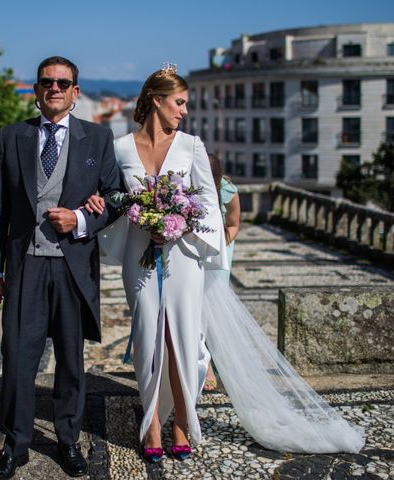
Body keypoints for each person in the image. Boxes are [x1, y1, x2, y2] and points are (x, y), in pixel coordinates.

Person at [87, 64, 365, 461]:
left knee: (182, 339)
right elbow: (112, 197)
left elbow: (208, 204)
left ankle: (182, 422)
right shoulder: (121, 148)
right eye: (179, 103)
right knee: (149, 338)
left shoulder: (192, 146)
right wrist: (113, 207)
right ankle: (150, 425)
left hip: (183, 257)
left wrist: (177, 222)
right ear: (156, 100)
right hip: (140, 257)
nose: (184, 111)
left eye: (186, 104)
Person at [0, 56, 123, 480]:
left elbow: (115, 197)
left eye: (63, 82)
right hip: (24, 264)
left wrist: (80, 220)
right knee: (19, 357)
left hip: (73, 265)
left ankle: (68, 440)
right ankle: (17, 442)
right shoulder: (13, 136)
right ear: (38, 89)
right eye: (47, 82)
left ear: (76, 92)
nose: (55, 88)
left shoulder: (97, 138)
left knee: (70, 361)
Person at [203, 153, 240, 391]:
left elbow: (234, 223)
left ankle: (211, 363)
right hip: (191, 252)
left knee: (212, 307)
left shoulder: (227, 189)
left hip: (219, 252)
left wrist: (220, 243)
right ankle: (201, 362)